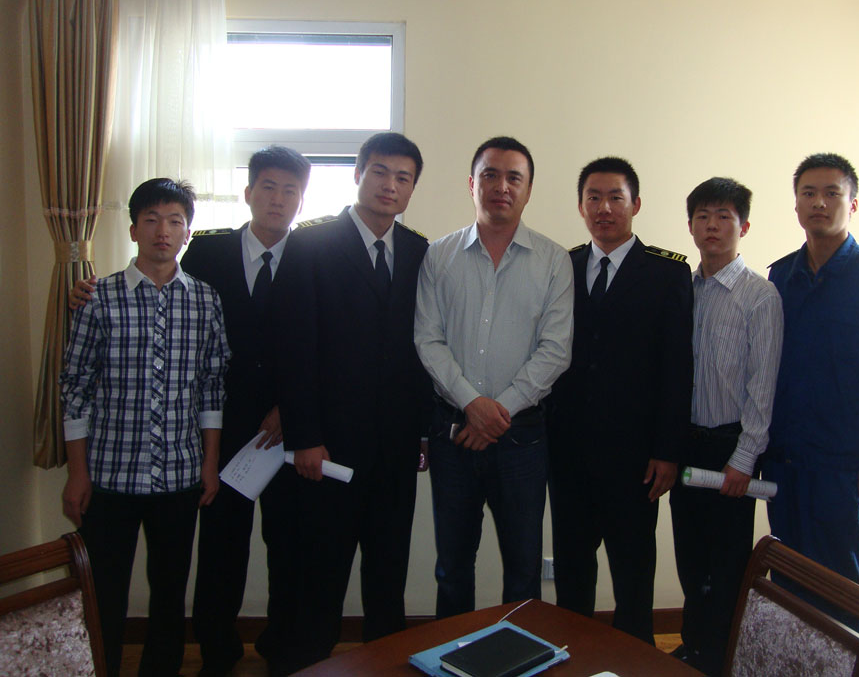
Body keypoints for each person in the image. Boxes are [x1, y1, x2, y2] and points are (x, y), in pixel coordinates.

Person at [70, 146, 312, 676]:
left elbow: (327, 341)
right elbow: (157, 287)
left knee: (289, 545)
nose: (277, 199)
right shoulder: (207, 251)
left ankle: (283, 650)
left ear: (301, 198)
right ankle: (217, 652)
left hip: (288, 427)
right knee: (220, 550)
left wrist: (291, 407)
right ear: (248, 192)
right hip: (217, 428)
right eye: (267, 187)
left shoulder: (316, 257)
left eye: (290, 190)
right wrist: (87, 290)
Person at [274, 131, 433, 673]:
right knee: (319, 575)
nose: (391, 186)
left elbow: (424, 349)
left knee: (388, 577)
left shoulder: (419, 251)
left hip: (396, 449)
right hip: (328, 450)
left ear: (412, 188)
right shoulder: (310, 244)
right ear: (359, 174)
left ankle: (385, 666)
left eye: (403, 178)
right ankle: (305, 665)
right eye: (380, 172)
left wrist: (422, 434)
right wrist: (304, 438)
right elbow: (294, 349)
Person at [60, 178, 229, 677]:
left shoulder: (205, 300)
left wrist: (210, 464)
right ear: (133, 229)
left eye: (175, 221)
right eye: (151, 220)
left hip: (179, 475)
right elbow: (75, 388)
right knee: (104, 591)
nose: (163, 231)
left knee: (170, 592)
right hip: (109, 476)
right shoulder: (98, 297)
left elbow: (212, 388)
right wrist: (77, 473)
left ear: (187, 233)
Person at [414, 135, 574, 618]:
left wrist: (496, 411)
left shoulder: (554, 261)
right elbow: (428, 340)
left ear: (528, 190)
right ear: (472, 184)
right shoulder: (439, 255)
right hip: (454, 434)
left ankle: (519, 653)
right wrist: (473, 405)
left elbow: (555, 351)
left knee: (523, 570)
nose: (501, 186)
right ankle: (450, 653)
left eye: (513, 178)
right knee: (452, 566)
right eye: (490, 175)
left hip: (522, 437)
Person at [547, 157, 692, 644]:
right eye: (594, 197)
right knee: (572, 569)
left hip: (636, 458)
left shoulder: (668, 273)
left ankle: (636, 658)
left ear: (636, 204)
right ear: (581, 206)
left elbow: (677, 369)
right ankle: (572, 655)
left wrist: (668, 450)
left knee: (633, 570)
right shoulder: (563, 267)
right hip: (568, 453)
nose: (604, 208)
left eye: (615, 197)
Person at [764, 153, 859, 593]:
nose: (819, 203)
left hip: (843, 463)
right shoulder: (781, 276)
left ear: (853, 204)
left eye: (832, 193)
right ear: (796, 205)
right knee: (786, 575)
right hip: (785, 459)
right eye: (808, 193)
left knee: (837, 583)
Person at [670, 177, 783, 674]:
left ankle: (720, 658)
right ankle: (693, 647)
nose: (712, 226)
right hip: (685, 445)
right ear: (690, 225)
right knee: (690, 557)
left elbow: (763, 386)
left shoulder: (760, 296)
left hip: (730, 448)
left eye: (724, 217)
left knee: (727, 563)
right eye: (703, 216)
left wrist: (743, 457)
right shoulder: (683, 289)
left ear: (744, 226)